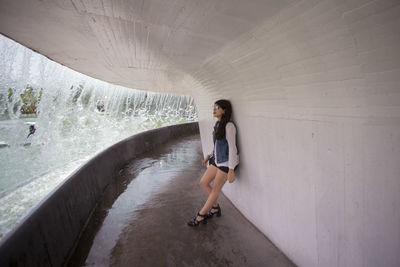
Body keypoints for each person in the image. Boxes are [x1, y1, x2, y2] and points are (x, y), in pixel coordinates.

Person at [187, 99, 239, 226]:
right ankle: (215, 208)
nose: (214, 110)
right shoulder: (218, 124)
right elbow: (217, 144)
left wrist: (231, 169)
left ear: (224, 110)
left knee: (215, 189)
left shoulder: (229, 126)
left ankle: (200, 215)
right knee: (204, 182)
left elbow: (233, 148)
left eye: (217, 107)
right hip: (217, 160)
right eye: (214, 107)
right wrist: (209, 155)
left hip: (227, 163)